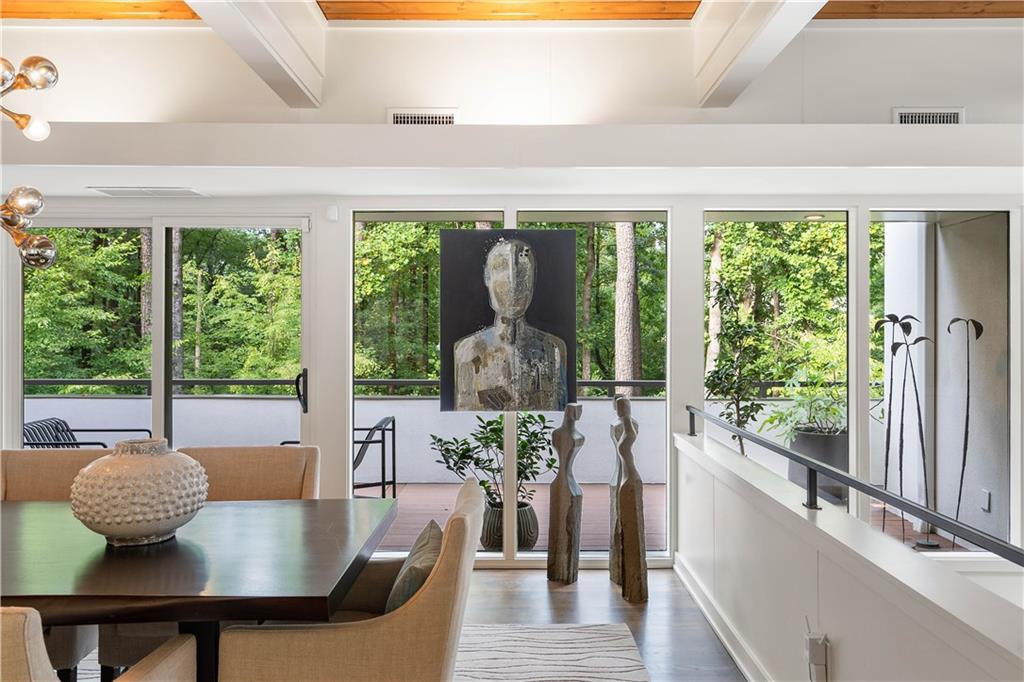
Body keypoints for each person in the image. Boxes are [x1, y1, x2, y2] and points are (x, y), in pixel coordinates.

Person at [454, 238, 567, 411]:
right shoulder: (467, 351)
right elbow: (465, 414)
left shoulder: (552, 349)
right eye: (501, 268)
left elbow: (557, 412)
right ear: (487, 277)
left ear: (533, 280)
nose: (512, 281)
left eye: (523, 269)